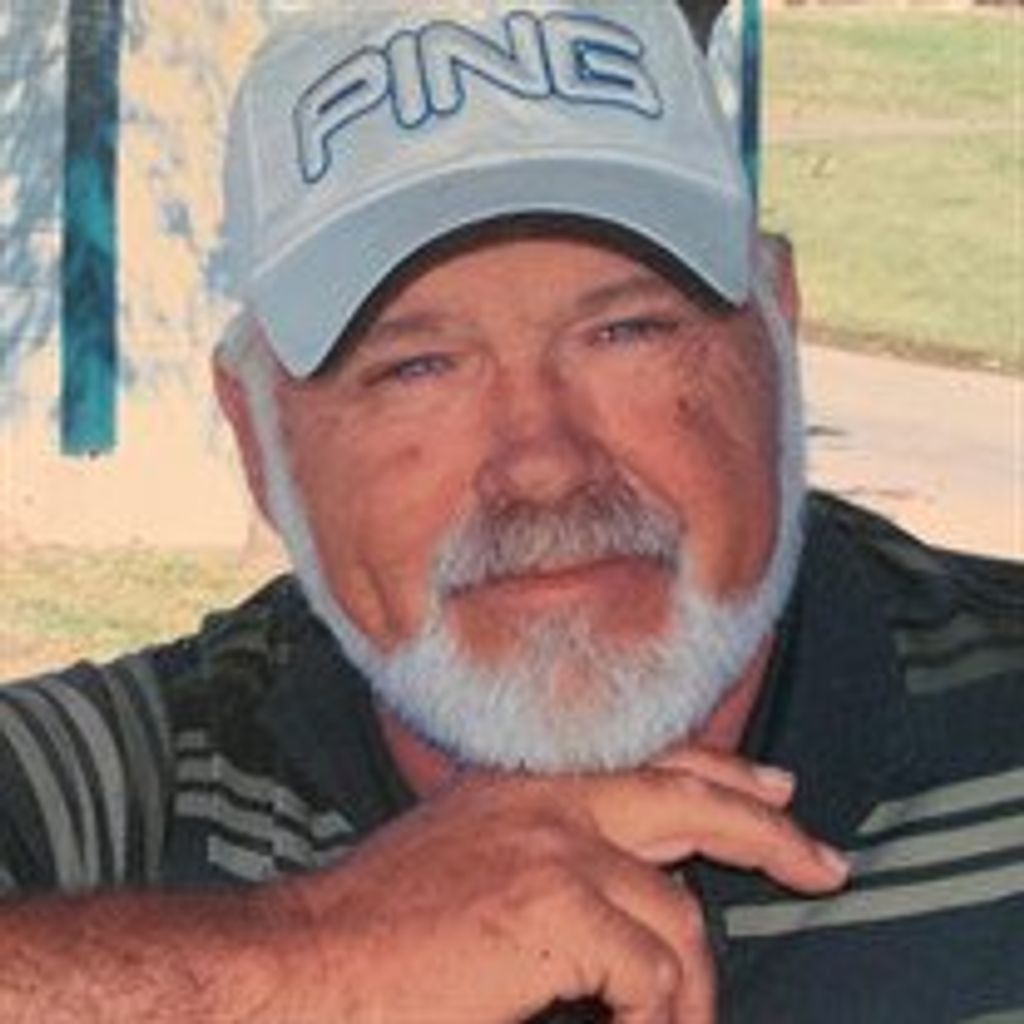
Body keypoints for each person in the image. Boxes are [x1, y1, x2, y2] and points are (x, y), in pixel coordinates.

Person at [1, 1, 1021, 1021]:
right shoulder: (112, 798)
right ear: (258, 440)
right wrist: (319, 959)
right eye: (417, 367)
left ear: (780, 332)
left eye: (625, 331)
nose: (542, 467)